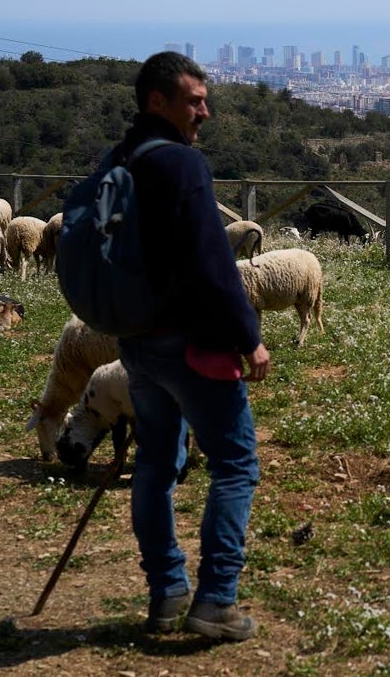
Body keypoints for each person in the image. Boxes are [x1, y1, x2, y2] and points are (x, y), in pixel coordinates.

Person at [115, 51, 271, 641]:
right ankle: (216, 601)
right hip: (191, 343)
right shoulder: (182, 165)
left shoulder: (121, 159)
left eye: (205, 98)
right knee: (235, 463)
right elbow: (214, 261)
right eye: (193, 99)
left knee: (156, 464)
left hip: (136, 340)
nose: (204, 110)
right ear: (158, 101)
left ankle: (166, 593)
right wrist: (249, 338)